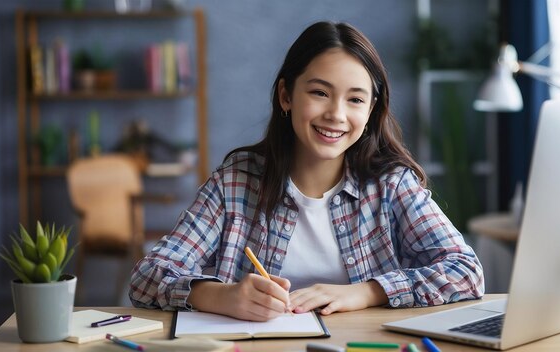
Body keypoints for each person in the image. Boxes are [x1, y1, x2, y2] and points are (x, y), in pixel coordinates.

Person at [130, 21, 484, 322]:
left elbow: (466, 272)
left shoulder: (391, 184)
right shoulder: (236, 180)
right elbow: (147, 277)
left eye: (355, 99)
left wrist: (365, 293)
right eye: (319, 93)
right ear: (286, 95)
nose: (336, 114)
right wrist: (220, 297)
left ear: (372, 109)